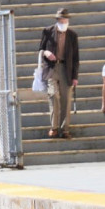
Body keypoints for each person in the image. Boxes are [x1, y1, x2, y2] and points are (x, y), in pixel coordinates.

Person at [38, 7, 79, 139]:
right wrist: (46, 52)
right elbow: (40, 49)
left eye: (65, 19)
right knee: (53, 95)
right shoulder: (48, 32)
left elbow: (76, 58)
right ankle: (54, 127)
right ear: (57, 20)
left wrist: (75, 76)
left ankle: (64, 129)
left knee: (66, 99)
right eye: (61, 19)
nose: (63, 21)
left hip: (66, 69)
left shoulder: (72, 35)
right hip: (51, 68)